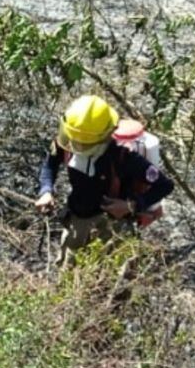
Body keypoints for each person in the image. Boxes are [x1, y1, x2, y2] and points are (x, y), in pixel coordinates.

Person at [34, 94, 174, 254]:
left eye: (84, 143)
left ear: (105, 136)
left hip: (112, 226)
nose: (77, 146)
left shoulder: (123, 157)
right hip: (76, 220)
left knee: (106, 266)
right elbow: (50, 164)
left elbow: (165, 185)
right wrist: (46, 191)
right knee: (69, 263)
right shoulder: (69, 140)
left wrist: (131, 205)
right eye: (75, 140)